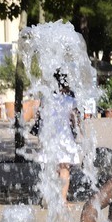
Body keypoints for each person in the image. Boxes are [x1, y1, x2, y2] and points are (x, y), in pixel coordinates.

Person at [32, 71, 80, 203]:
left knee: (50, 169)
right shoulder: (70, 101)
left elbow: (39, 118)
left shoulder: (46, 99)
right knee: (64, 169)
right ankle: (62, 200)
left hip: (49, 138)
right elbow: (76, 121)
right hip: (65, 138)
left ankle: (49, 199)